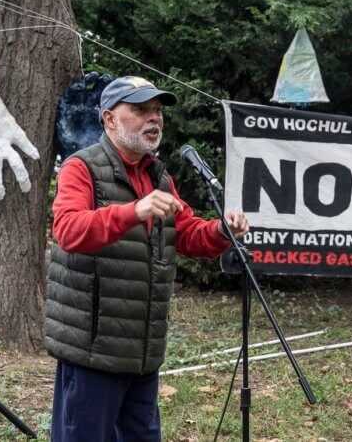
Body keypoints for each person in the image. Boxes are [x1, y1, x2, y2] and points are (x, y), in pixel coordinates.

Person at [45, 75, 249, 441]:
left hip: (142, 351)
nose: (153, 119)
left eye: (157, 111)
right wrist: (132, 211)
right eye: (140, 110)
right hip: (93, 350)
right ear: (109, 119)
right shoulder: (81, 168)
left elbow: (186, 234)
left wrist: (222, 231)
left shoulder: (159, 177)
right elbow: (69, 231)